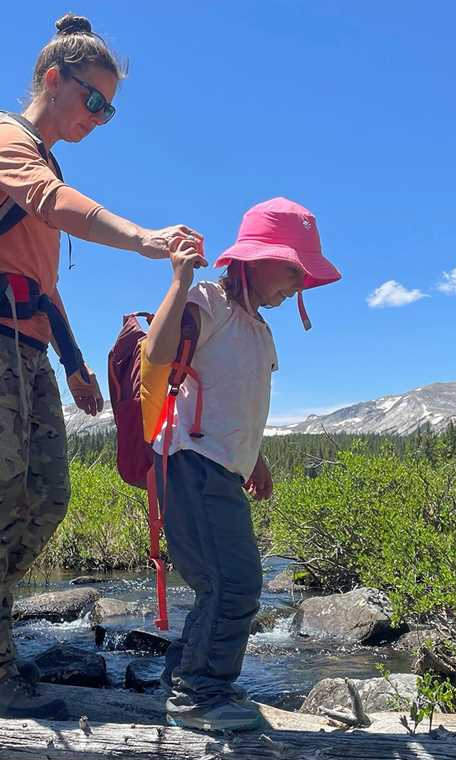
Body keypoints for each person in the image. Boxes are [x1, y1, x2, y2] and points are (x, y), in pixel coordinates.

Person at [0, 14, 203, 720]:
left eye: (109, 108)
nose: (102, 118)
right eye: (95, 101)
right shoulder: (1, 141)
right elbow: (56, 207)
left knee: (46, 495)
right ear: (53, 80)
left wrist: (76, 363)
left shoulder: (43, 163)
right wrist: (145, 239)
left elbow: (41, 286)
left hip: (25, 347)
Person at [142, 197, 342, 732]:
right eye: (293, 269)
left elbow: (240, 404)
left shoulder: (257, 327)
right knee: (236, 583)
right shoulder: (206, 301)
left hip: (220, 468)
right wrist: (178, 283)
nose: (298, 282)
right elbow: (156, 356)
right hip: (190, 463)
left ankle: (183, 675)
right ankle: (198, 693)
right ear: (256, 259)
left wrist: (258, 460)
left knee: (220, 581)